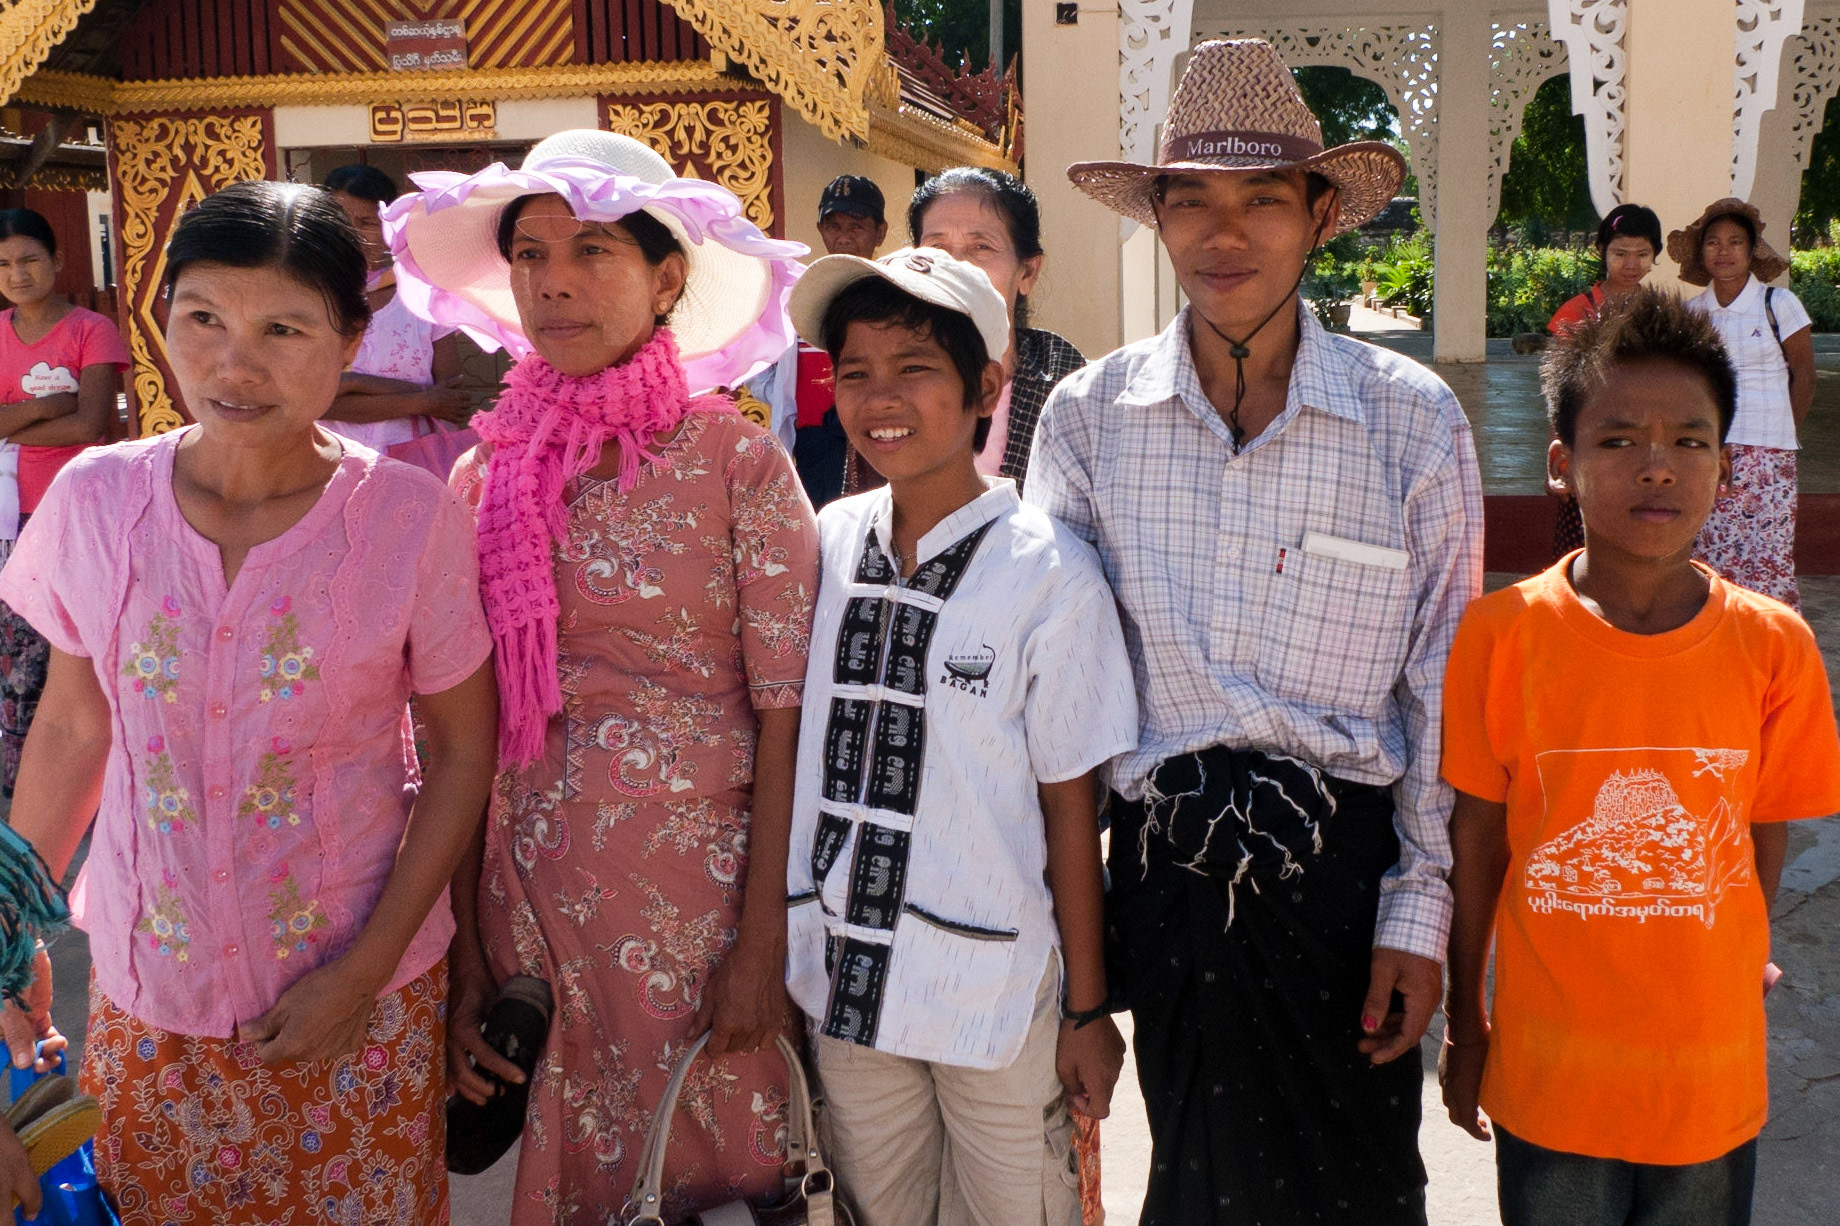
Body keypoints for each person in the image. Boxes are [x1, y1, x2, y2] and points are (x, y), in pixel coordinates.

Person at [1033, 39, 1484, 1224]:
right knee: (1196, 1189)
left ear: (1319, 213)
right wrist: (1082, 988)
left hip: (1344, 886)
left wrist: (1417, 911)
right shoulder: (1089, 422)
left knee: (1364, 1188)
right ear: (1161, 218)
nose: (1223, 234)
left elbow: (1442, 686)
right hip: (1169, 886)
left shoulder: (1410, 424)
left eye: (1262, 200)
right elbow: (1059, 699)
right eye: (1192, 201)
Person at [0, 180, 499, 1223]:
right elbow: (76, 722)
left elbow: (460, 751)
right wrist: (14, 930)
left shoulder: (410, 516)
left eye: (283, 327)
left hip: (357, 1001)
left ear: (351, 332)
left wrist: (362, 974)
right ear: (163, 317)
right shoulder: (97, 498)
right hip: (154, 994)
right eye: (204, 319)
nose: (236, 362)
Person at [387, 130, 815, 1219]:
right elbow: (447, 729)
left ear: (667, 276)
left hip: (697, 915)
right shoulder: (484, 473)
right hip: (521, 910)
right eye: (529, 254)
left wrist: (761, 938)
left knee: (703, 1170)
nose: (552, 282)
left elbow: (787, 713)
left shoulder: (738, 464)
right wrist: (462, 945)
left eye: (589, 251)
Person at [1440, 288, 1840, 1226]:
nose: (1656, 467)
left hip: (1707, 1078)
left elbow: (1759, 838)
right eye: (1618, 439)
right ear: (1561, 466)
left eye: (1689, 441)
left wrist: (1736, 950)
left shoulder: (1774, 648)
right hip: (1551, 1077)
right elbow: (1478, 844)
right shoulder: (1500, 638)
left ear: (1728, 467)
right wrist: (1468, 1026)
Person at [782, 246, 1137, 1226]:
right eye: (853, 371)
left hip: (996, 997)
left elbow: (1072, 809)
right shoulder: (823, 543)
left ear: (986, 385)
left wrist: (1085, 1009)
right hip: (846, 982)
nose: (878, 396)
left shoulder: (1048, 573)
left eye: (914, 368)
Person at [0, 208, 130, 797]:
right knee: (16, 649)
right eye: (3, 264)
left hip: (78, 509)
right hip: (8, 511)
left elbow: (93, 423)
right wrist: (47, 406)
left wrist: (9, 423)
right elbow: (70, 413)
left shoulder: (90, 330)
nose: (17, 274)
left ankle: (93, 778)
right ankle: (25, 783)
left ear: (57, 261)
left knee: (73, 645)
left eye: (29, 259)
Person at [1666, 199, 1814, 611]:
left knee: (1769, 562)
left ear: (1752, 251)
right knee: (1710, 557)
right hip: (1709, 453)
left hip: (1770, 456)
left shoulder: (1779, 305)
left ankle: (1775, 651)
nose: (1724, 251)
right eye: (1712, 242)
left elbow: (1805, 374)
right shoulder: (1692, 313)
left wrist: (1785, 432)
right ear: (1701, 254)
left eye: (1735, 242)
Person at [750, 175, 890, 507]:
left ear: (880, 232)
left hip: (875, 431)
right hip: (814, 439)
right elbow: (758, 358)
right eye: (834, 226)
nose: (843, 237)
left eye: (856, 227)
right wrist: (785, 397)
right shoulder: (797, 294)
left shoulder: (895, 294)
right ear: (820, 229)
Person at [319, 164, 473, 452]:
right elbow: (310, 402)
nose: (351, 234)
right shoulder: (308, 297)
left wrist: (351, 384)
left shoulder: (424, 296)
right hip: (329, 465)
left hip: (414, 467)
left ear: (390, 227)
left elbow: (453, 400)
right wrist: (421, 401)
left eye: (366, 222)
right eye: (340, 221)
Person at [1545, 204, 1663, 557]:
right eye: (1620, 253)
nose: (1632, 264)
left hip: (1648, 441)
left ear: (1655, 255)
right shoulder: (1576, 312)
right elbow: (1559, 390)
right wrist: (1556, 454)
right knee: (1583, 545)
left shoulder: (1662, 313)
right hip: (1590, 440)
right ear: (1602, 252)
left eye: (1643, 254)